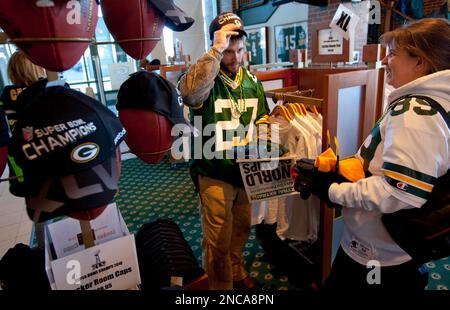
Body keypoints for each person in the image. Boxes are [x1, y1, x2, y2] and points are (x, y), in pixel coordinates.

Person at [295, 18, 450, 290]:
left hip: (377, 256)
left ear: (420, 62)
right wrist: (341, 172)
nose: (386, 60)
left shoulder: (415, 112)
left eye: (393, 54)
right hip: (380, 247)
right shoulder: (430, 105)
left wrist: (332, 190)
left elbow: (399, 193)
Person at [178, 12, 269, 290]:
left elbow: (262, 117)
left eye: (239, 50)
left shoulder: (253, 82)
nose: (236, 57)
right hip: (213, 170)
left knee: (241, 229)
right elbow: (191, 94)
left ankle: (236, 268)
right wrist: (215, 52)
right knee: (217, 238)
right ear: (216, 47)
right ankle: (221, 288)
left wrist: (264, 144)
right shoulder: (205, 78)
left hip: (244, 171)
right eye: (228, 51)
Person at [0, 50, 46, 195]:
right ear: (37, 68)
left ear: (12, 72)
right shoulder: (45, 92)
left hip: (22, 163)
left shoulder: (5, 97)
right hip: (50, 155)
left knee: (38, 204)